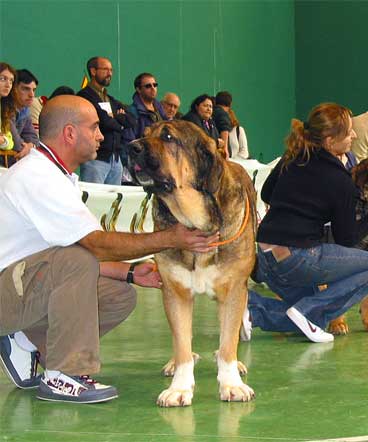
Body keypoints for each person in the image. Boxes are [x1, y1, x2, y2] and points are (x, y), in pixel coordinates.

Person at [0, 95, 219, 404]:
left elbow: (69, 257)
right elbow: (93, 246)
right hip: (6, 293)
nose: (101, 136)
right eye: (94, 128)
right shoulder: (38, 177)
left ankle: (28, 341)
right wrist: (171, 237)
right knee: (75, 258)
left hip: (20, 287)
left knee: (119, 295)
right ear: (70, 133)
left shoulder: (58, 176)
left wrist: (129, 273)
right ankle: (65, 374)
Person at [242, 103, 368, 343]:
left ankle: (249, 307)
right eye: (349, 132)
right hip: (296, 259)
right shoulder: (340, 179)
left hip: (266, 256)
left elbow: (267, 194)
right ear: (330, 142)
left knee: (317, 319)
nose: (354, 135)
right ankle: (300, 311)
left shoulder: (294, 155)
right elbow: (347, 240)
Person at [77, 56, 135, 184]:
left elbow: (131, 120)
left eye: (111, 70)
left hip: (115, 159)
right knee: (94, 201)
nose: (110, 73)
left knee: (114, 202)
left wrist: (116, 118)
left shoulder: (110, 99)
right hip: (96, 159)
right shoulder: (85, 96)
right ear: (93, 71)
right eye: (105, 69)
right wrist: (120, 125)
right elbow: (103, 121)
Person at [9, 69, 40, 163]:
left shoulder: (25, 110)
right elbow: (16, 145)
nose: (32, 95)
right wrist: (29, 148)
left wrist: (31, 146)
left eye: (34, 90)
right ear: (13, 89)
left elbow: (35, 140)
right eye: (26, 89)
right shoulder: (5, 108)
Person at [125, 72, 167, 140]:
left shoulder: (160, 108)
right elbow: (130, 142)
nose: (153, 88)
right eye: (148, 86)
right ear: (138, 89)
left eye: (155, 85)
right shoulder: (132, 112)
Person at [0, 62, 16, 152]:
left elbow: (11, 143)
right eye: (3, 79)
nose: (8, 85)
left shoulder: (4, 107)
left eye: (11, 81)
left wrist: (3, 141)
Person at [213, 91, 233, 159]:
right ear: (230, 104)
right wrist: (225, 149)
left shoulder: (212, 112)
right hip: (220, 152)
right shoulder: (223, 114)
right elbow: (224, 129)